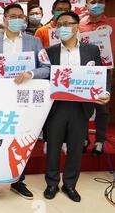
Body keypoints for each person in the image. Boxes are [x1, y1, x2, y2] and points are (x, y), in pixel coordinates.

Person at [0, 3, 50, 200]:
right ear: (4, 19)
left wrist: (30, 73)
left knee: (22, 139)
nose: (17, 19)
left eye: (21, 16)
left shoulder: (35, 42)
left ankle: (18, 181)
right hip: (1, 100)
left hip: (25, 100)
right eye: (12, 16)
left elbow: (47, 68)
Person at [43, 11, 110, 202]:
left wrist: (105, 92)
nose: (63, 27)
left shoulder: (91, 50)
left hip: (81, 107)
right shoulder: (50, 52)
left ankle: (70, 184)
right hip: (56, 107)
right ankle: (52, 183)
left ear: (76, 26)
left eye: (67, 23)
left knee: (75, 148)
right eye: (59, 24)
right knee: (54, 146)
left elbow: (101, 74)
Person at [79, 0, 115, 156]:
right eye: (93, 2)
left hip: (105, 70)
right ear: (86, 5)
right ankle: (84, 138)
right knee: (83, 107)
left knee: (102, 107)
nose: (96, 5)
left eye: (100, 1)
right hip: (84, 71)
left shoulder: (113, 23)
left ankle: (99, 141)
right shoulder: (79, 25)